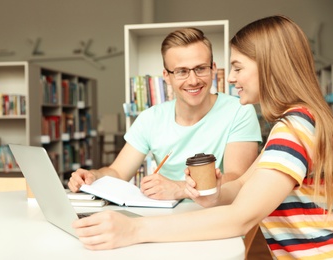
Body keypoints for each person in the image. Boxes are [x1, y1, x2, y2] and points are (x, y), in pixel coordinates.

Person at [71, 15, 333, 259]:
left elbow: (240, 218)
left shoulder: (294, 129)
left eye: (237, 67)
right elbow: (243, 185)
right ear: (167, 76)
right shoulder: (295, 124)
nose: (232, 78)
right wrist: (211, 194)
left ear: (270, 67)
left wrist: (134, 229)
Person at [68, 28, 261, 200]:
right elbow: (118, 172)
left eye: (201, 68)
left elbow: (238, 178)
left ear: (213, 69)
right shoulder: (150, 118)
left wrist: (181, 189)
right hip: (166, 217)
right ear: (166, 76)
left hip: (219, 216)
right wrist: (94, 176)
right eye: (181, 71)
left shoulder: (240, 110)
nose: (193, 80)